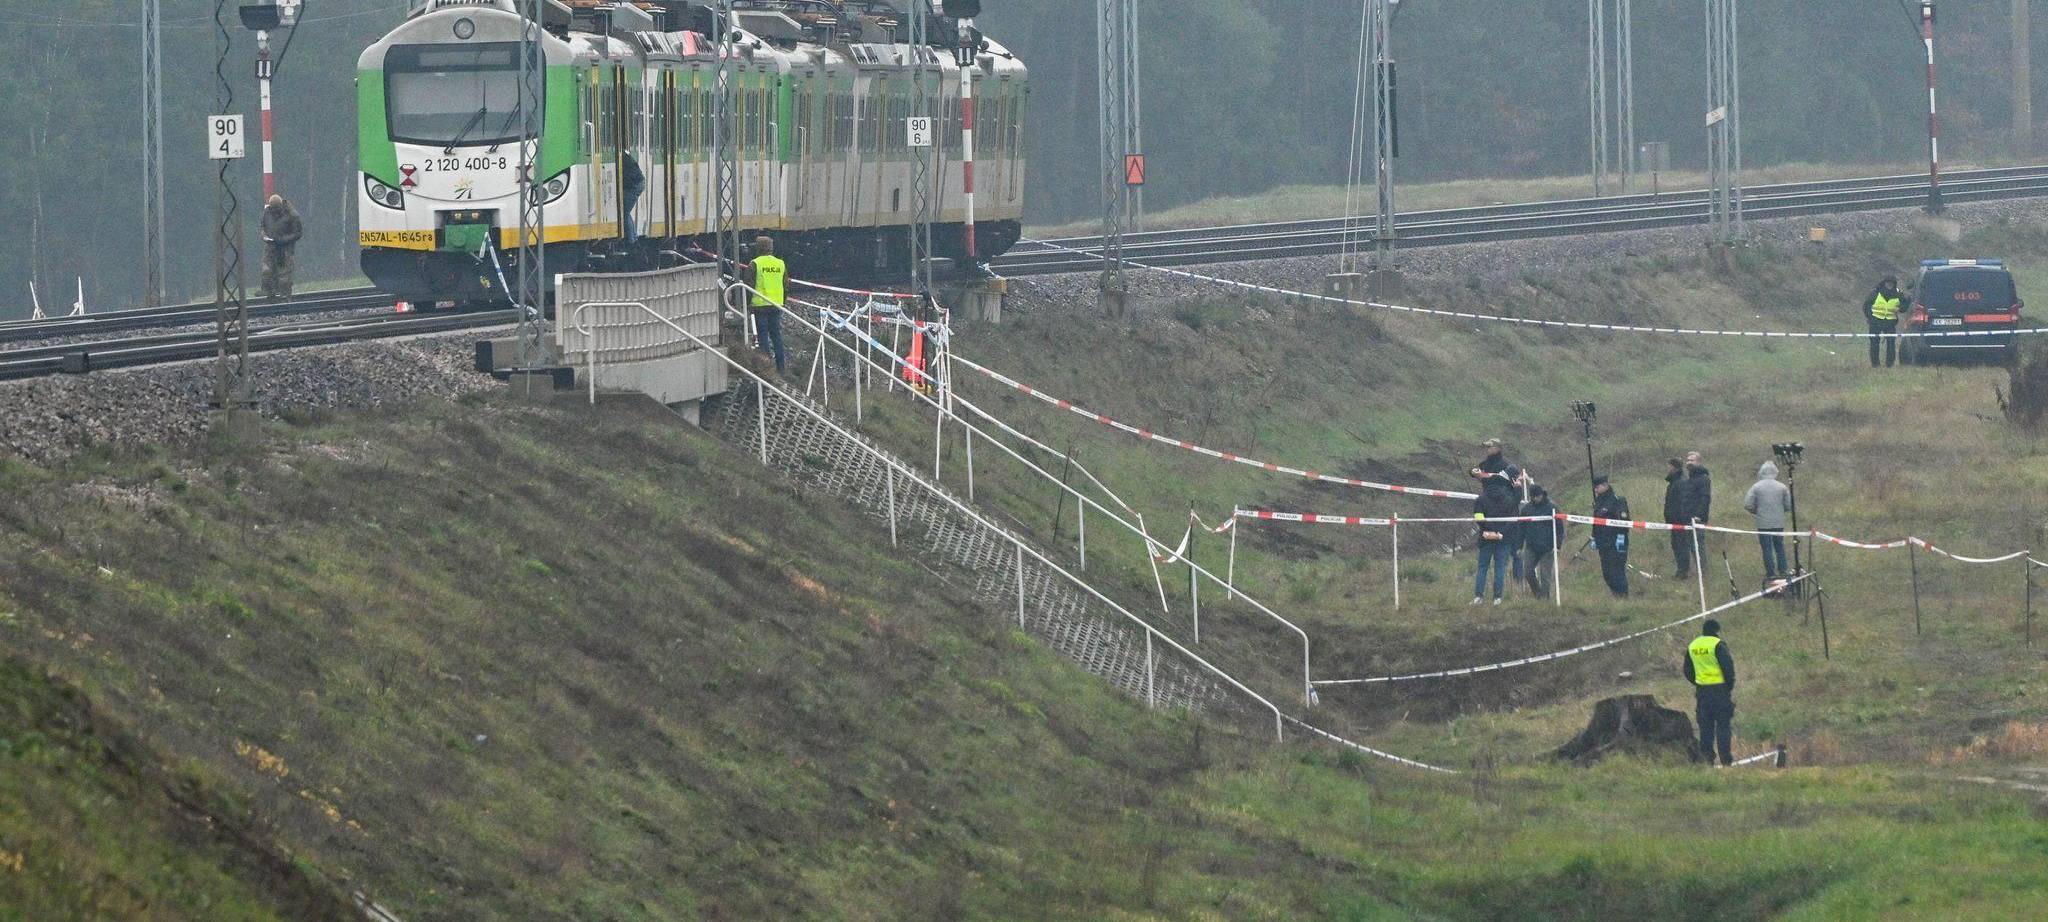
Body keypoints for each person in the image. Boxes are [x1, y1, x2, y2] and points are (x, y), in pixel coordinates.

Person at [1683, 618, 1737, 766]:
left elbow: (1687, 670)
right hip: (1720, 691)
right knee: (1723, 725)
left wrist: (1698, 681)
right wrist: (1729, 686)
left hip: (1702, 692)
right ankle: (1726, 759)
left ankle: (1707, 760)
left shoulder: (1693, 646)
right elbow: (1728, 667)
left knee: (1705, 727)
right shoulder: (1717, 644)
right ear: (1716, 631)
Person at [1471, 476, 1518, 605]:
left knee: (1482, 567)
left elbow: (1478, 517)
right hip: (1503, 539)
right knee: (1500, 568)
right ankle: (1497, 598)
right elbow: (1513, 519)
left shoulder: (1481, 499)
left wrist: (1489, 531)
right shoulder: (1509, 499)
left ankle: (1478, 597)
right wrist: (1500, 533)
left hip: (1485, 537)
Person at [1742, 460, 1793, 579]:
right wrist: (1780, 512)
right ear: (1775, 472)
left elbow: (1748, 504)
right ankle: (1783, 570)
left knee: (1767, 548)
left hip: (1763, 523)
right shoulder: (1782, 487)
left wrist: (1757, 512)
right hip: (1778, 522)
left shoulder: (1756, 487)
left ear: (1762, 472)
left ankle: (1770, 573)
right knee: (1779, 546)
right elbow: (1789, 505)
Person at [745, 236, 787, 372]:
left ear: (758, 248)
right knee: (776, 334)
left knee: (762, 335)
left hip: (760, 305)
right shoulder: (780, 264)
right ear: (771, 248)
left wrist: (746, 304)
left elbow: (748, 286)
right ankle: (781, 367)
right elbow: (786, 285)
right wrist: (782, 302)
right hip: (776, 305)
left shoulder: (755, 264)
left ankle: (767, 365)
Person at [1591, 475, 1631, 597]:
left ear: (1605, 485)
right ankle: (1615, 594)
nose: (1595, 490)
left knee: (1617, 571)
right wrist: (1594, 537)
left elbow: (1624, 522)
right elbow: (1596, 522)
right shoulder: (1598, 502)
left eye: (1597, 487)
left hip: (1617, 541)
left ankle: (1623, 596)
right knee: (1607, 573)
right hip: (1603, 543)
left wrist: (1621, 538)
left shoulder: (1617, 500)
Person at [259, 194, 302, 301]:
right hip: (270, 247)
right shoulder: (267, 212)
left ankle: (285, 296)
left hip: (285, 249)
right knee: (267, 271)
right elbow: (263, 226)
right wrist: (264, 236)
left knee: (284, 275)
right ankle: (270, 294)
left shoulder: (292, 214)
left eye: (276, 209)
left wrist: (284, 239)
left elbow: (298, 233)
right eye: (271, 209)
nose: (273, 211)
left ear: (280, 206)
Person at [1520, 483, 1560, 598]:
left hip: (1548, 548)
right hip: (1531, 547)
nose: (1537, 498)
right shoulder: (1526, 509)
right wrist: (1519, 546)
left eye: (1539, 496)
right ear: (1531, 497)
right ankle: (1538, 594)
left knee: (1545, 575)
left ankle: (1545, 600)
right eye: (1534, 496)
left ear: (1542, 494)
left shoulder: (1552, 507)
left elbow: (1559, 528)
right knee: (1527, 572)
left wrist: (1557, 545)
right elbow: (1521, 529)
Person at [1862, 274, 1905, 368]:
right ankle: (1875, 364)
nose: (1889, 285)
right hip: (1875, 322)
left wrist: (1900, 309)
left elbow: (1905, 305)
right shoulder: (1875, 292)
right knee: (1874, 343)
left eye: (1892, 283)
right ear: (1884, 283)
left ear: (1894, 284)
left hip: (1890, 322)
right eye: (1888, 283)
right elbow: (1866, 306)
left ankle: (1889, 364)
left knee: (1891, 344)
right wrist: (1870, 318)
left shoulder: (1898, 294)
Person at [1680, 451, 1713, 563]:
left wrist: (1699, 515)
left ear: (1698, 462)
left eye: (1692, 460)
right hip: (1687, 518)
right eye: (1688, 460)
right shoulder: (1689, 480)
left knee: (1698, 545)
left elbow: (1705, 498)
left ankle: (1703, 571)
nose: (1689, 462)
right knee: (1691, 546)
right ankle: (1699, 569)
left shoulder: (1703, 479)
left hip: (1697, 519)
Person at [1663, 458, 1691, 578]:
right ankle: (1680, 570)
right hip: (1673, 521)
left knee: (1682, 546)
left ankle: (1683, 571)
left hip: (1680, 522)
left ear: (1674, 467)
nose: (1667, 468)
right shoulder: (1673, 483)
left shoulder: (1681, 482)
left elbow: (1683, 503)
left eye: (1669, 466)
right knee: (1676, 545)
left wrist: (1681, 518)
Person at [620, 151, 646, 242]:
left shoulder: (621, 157)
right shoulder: (625, 156)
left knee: (624, 212)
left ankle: (631, 240)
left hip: (634, 185)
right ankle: (633, 237)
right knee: (625, 211)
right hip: (637, 183)